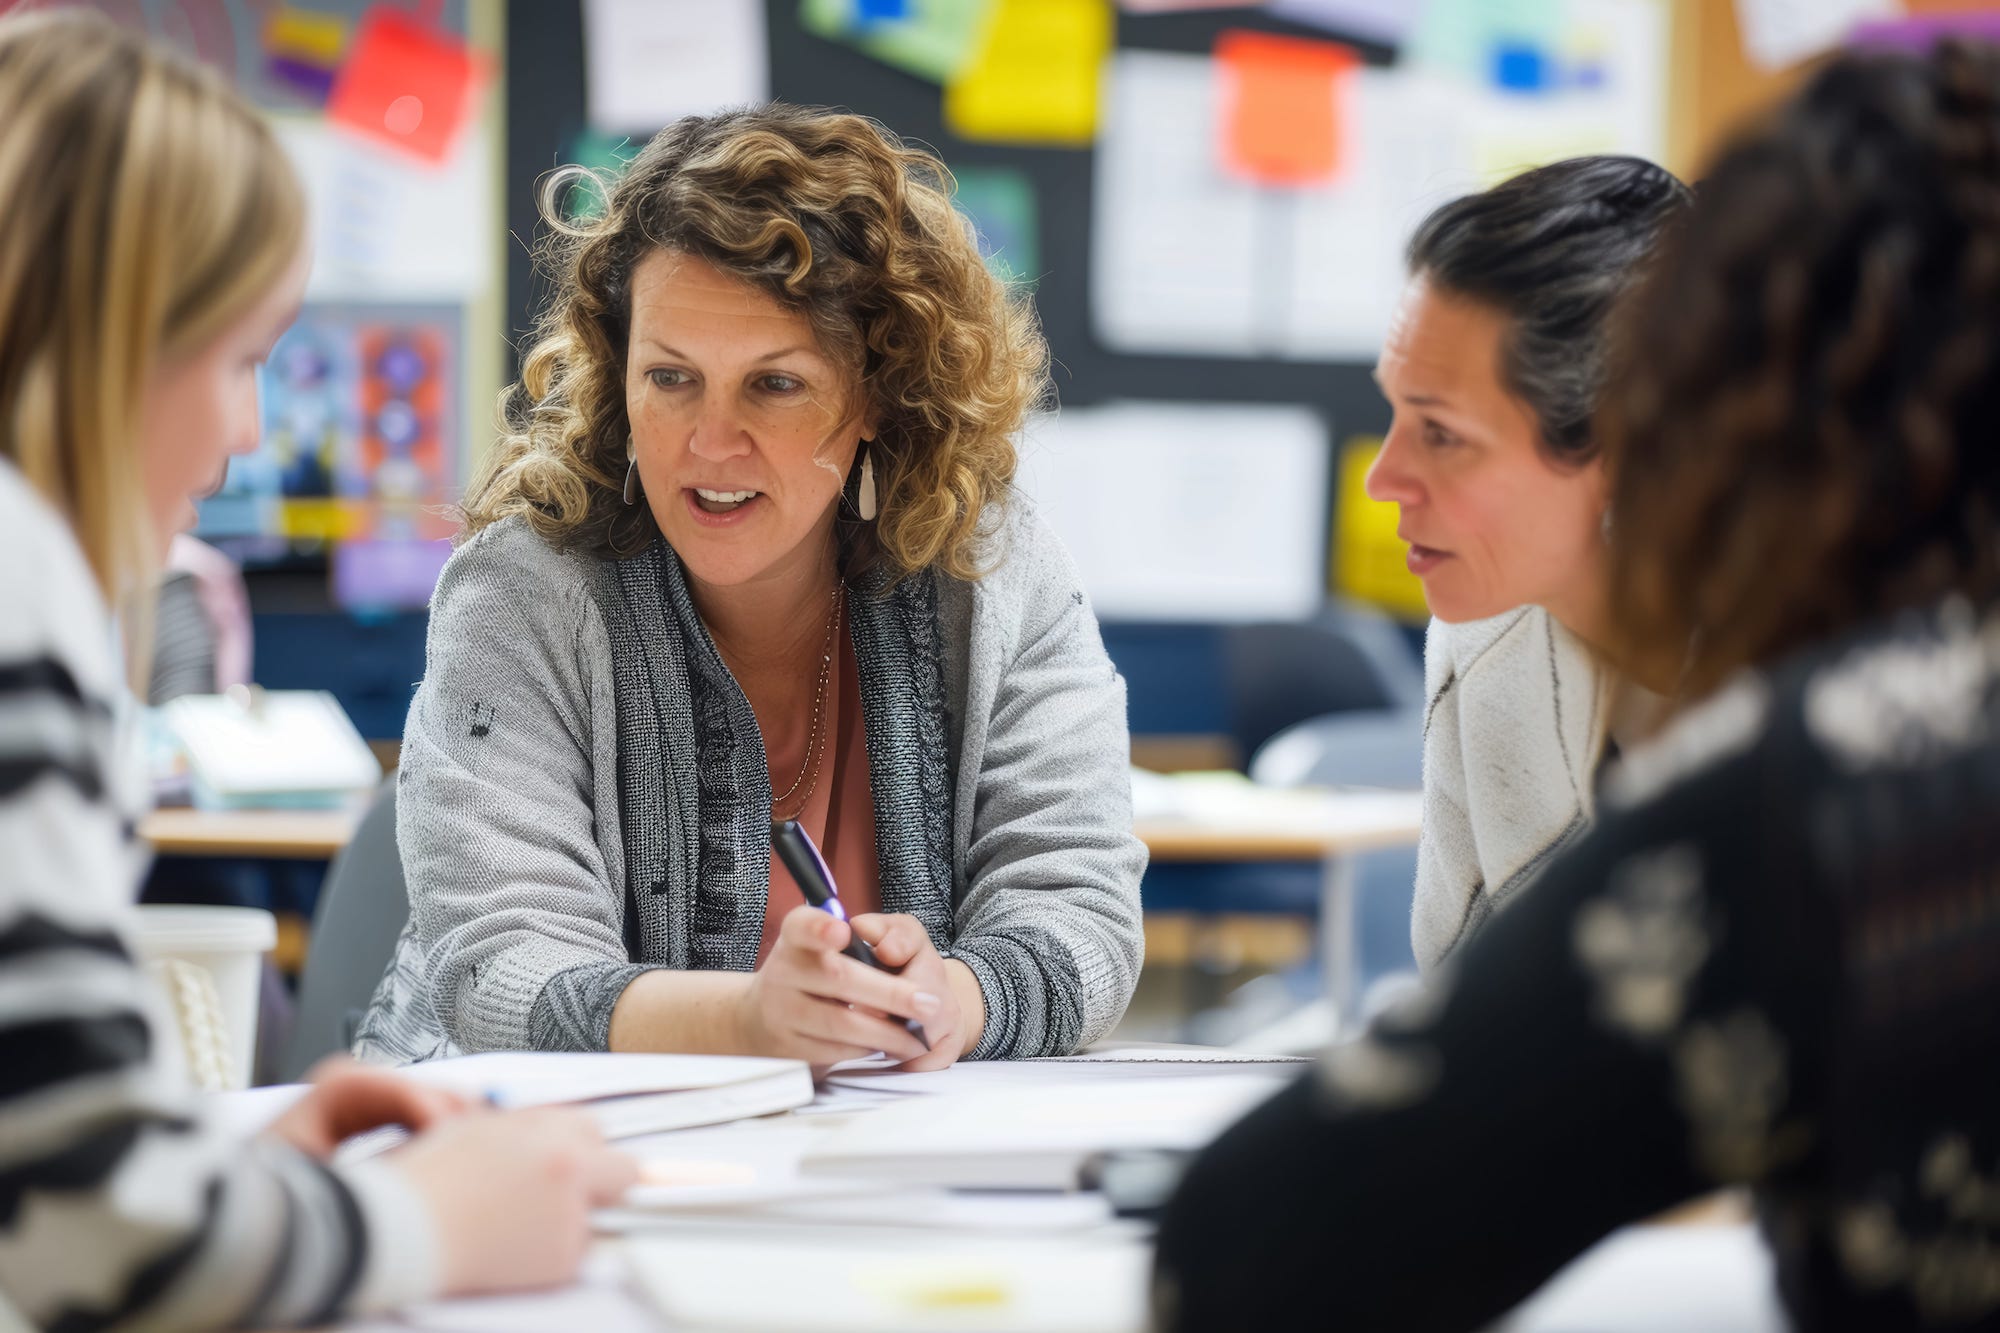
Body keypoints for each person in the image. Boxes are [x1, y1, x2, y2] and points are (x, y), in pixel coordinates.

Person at [1155, 41, 2000, 1332]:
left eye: (1441, 431)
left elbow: (1258, 1241)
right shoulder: (1533, 654)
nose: (1387, 482)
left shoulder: (1838, 783)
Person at [0, 13, 633, 1328]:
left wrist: (226, 1181)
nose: (240, 440)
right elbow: (103, 1239)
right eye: (236, 360)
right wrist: (427, 1219)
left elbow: (54, 1176)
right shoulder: (21, 571)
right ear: (109, 330)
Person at [353, 105, 1145, 1072]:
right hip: (523, 1166)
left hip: (871, 1176)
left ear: (877, 395)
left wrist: (959, 998)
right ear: (617, 372)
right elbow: (497, 970)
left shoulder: (992, 571)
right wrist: (745, 1026)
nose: (709, 443)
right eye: (671, 377)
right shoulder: (523, 592)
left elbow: (1080, 905)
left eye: (774, 385)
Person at [1364, 156, 1691, 971]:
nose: (1382, 479)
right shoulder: (1484, 635)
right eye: (1395, 414)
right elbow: (1458, 1011)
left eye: (1442, 434)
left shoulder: (1828, 669)